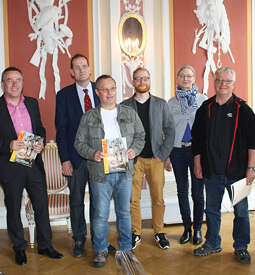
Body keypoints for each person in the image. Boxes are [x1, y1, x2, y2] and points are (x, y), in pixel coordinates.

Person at [0, 67, 63, 266]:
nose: (14, 84)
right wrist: (7, 145)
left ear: (22, 83)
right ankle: (19, 248)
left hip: (33, 163)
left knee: (41, 206)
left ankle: (45, 245)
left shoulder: (32, 104)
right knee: (14, 208)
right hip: (10, 167)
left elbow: (40, 128)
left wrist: (41, 141)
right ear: (3, 84)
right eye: (10, 80)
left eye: (18, 80)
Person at [191, 67, 255, 263]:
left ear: (233, 83)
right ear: (214, 82)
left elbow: (253, 140)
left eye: (227, 81)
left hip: (237, 173)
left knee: (241, 212)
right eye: (219, 80)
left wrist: (251, 167)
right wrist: (198, 163)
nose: (223, 84)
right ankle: (212, 242)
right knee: (211, 210)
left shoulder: (243, 110)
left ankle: (241, 246)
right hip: (211, 171)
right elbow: (196, 139)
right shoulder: (205, 108)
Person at [74, 75, 145, 267]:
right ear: (97, 92)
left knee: (124, 212)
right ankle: (100, 250)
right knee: (100, 214)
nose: (109, 93)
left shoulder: (129, 113)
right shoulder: (89, 117)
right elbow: (79, 143)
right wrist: (93, 153)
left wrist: (134, 150)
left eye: (112, 88)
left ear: (116, 90)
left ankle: (125, 249)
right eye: (104, 89)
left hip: (125, 172)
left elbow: (140, 136)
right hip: (99, 173)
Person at [55, 53, 107, 257]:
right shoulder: (64, 95)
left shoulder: (101, 90)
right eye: (76, 67)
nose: (81, 70)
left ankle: (99, 239)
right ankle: (79, 238)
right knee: (76, 200)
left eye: (84, 66)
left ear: (90, 69)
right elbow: (61, 129)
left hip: (99, 157)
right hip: (75, 158)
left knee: (98, 200)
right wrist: (65, 159)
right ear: (71, 72)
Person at [121, 67, 175, 249]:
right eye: (138, 78)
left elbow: (170, 130)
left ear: (149, 80)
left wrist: (162, 155)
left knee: (158, 198)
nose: (142, 82)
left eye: (145, 78)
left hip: (156, 159)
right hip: (133, 160)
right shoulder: (125, 106)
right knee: (132, 199)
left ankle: (159, 232)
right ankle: (135, 233)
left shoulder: (161, 104)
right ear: (133, 82)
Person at [166, 65, 207, 245]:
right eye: (182, 75)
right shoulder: (171, 102)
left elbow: (208, 129)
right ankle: (187, 228)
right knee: (182, 191)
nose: (185, 79)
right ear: (177, 78)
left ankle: (198, 228)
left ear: (194, 78)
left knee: (197, 193)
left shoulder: (203, 100)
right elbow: (166, 130)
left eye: (189, 76)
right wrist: (167, 155)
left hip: (197, 151)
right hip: (177, 151)